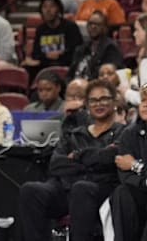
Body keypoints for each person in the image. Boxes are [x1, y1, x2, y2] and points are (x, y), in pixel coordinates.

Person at [19, 80, 124, 241]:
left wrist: (78, 156)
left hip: (100, 189)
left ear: (114, 102)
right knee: (31, 190)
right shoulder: (73, 134)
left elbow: (110, 159)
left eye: (104, 99)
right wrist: (93, 160)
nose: (98, 104)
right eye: (93, 100)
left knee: (81, 188)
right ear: (87, 105)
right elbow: (55, 165)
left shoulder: (122, 132)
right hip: (65, 188)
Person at [111, 85, 147, 240]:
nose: (145, 104)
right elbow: (124, 174)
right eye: (143, 100)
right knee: (122, 192)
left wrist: (136, 166)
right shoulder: (129, 134)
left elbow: (129, 166)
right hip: (141, 191)